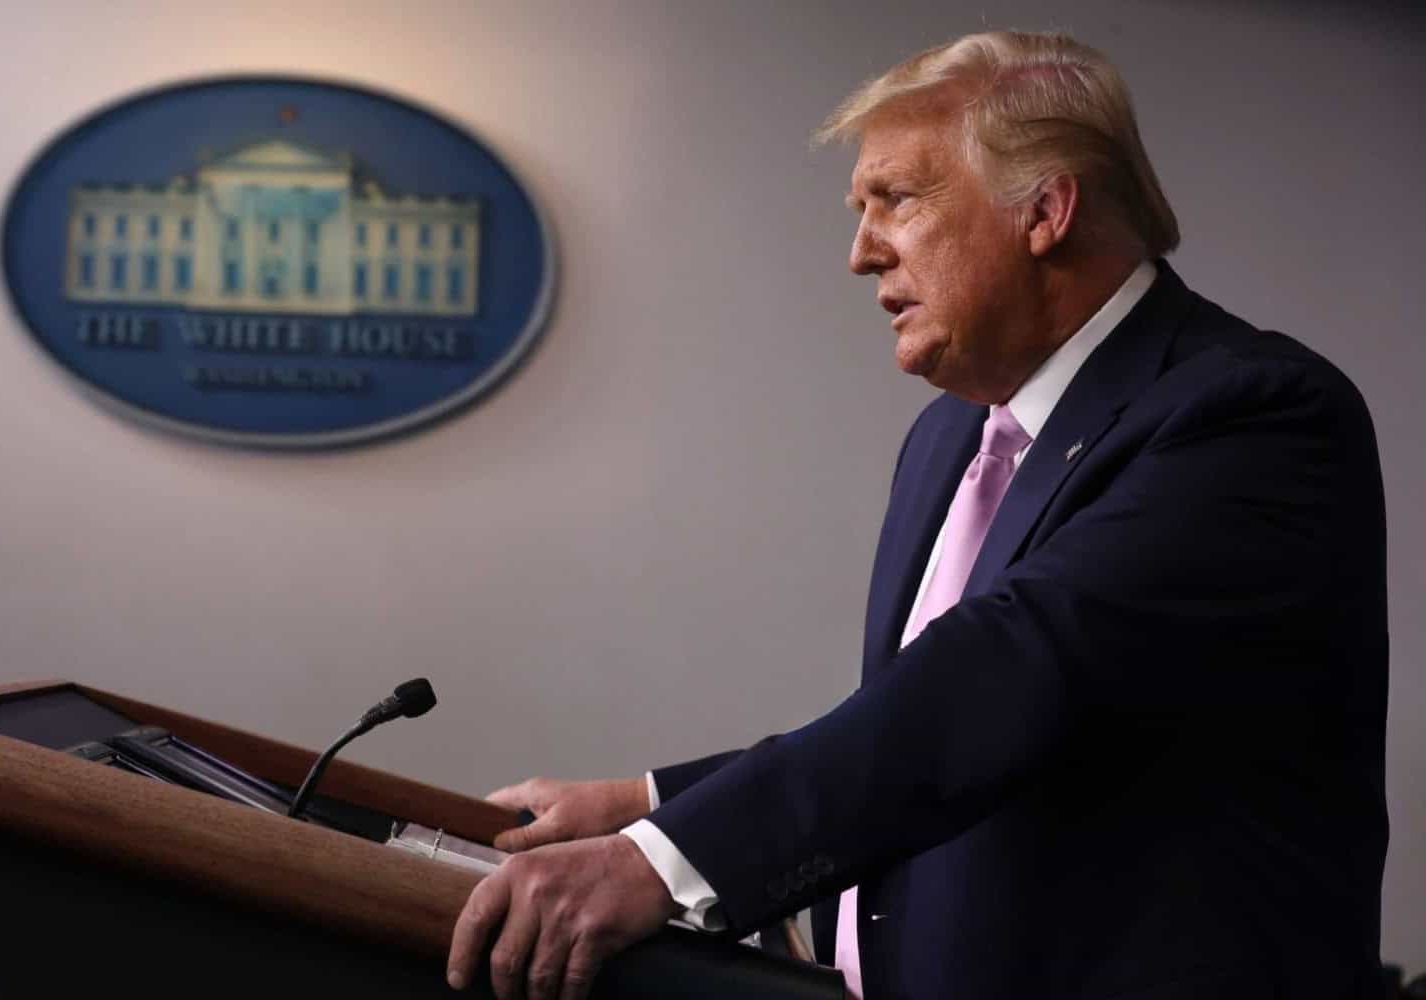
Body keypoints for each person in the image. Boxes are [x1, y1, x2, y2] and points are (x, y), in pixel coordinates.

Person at [447, 29, 1389, 1000]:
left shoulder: (1251, 414)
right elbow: (955, 728)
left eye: (893, 199)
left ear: (1045, 210)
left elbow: (1007, 675)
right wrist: (645, 803)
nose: (860, 253)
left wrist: (662, 859)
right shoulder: (950, 436)